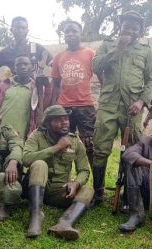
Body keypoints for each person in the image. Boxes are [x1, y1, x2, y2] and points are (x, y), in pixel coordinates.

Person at [91, 11, 152, 205]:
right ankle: (98, 193)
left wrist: (141, 102)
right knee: (100, 149)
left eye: (135, 28)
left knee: (133, 151)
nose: (131, 30)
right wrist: (118, 49)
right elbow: (95, 67)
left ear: (140, 30)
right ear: (120, 27)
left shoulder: (146, 51)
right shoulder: (108, 45)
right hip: (108, 105)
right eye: (127, 26)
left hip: (132, 109)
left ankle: (130, 195)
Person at [23, 105, 94, 240]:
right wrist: (57, 147)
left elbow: (84, 170)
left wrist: (76, 183)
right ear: (48, 123)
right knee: (39, 164)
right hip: (35, 187)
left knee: (88, 190)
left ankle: (64, 223)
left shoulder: (75, 141)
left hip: (59, 191)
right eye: (59, 120)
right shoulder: (37, 136)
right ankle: (36, 216)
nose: (65, 123)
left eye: (66, 119)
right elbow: (26, 159)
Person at [51, 21, 95, 165]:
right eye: (67, 32)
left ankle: (96, 184)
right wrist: (52, 109)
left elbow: (104, 80)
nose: (70, 34)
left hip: (85, 107)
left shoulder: (90, 54)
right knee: (64, 144)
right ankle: (64, 181)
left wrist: (102, 106)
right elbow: (56, 84)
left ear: (81, 33)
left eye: (74, 31)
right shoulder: (58, 57)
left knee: (89, 144)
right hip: (64, 107)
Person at [0, 56, 50, 141]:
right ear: (14, 68)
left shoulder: (36, 89)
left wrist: (47, 86)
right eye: (19, 65)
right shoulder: (5, 85)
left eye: (26, 64)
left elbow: (43, 109)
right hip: (1, 133)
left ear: (32, 67)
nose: (23, 67)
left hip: (22, 135)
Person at [0, 16, 52, 84]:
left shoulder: (36, 48)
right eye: (17, 28)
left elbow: (55, 65)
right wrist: (1, 84)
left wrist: (53, 83)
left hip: (34, 91)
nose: (20, 30)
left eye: (23, 28)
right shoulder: (6, 52)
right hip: (16, 91)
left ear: (27, 31)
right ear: (11, 30)